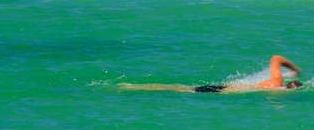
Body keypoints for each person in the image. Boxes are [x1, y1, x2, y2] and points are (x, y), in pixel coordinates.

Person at [119, 55, 302, 93]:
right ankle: (132, 87)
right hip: (222, 91)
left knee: (181, 89)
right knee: (180, 89)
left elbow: (276, 57)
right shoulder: (276, 86)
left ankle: (134, 87)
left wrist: (294, 69)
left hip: (225, 88)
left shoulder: (275, 81)